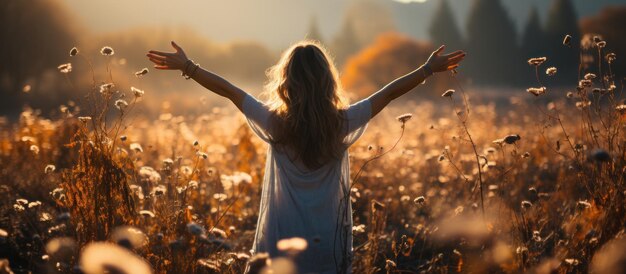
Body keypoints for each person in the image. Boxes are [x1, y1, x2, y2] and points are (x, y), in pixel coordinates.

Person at [147, 40, 465, 273]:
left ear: (286, 82)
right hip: (327, 243)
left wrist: (188, 67)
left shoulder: (274, 122)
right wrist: (426, 69)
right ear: (328, 81)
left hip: (279, 239)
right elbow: (388, 93)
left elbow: (231, 90)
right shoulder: (343, 122)